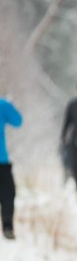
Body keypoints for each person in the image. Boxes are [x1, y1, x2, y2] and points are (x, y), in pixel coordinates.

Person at [0, 95, 22, 240]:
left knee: (8, 194)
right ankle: (7, 227)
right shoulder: (2, 104)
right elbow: (17, 121)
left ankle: (8, 228)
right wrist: (10, 105)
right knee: (8, 195)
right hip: (1, 161)